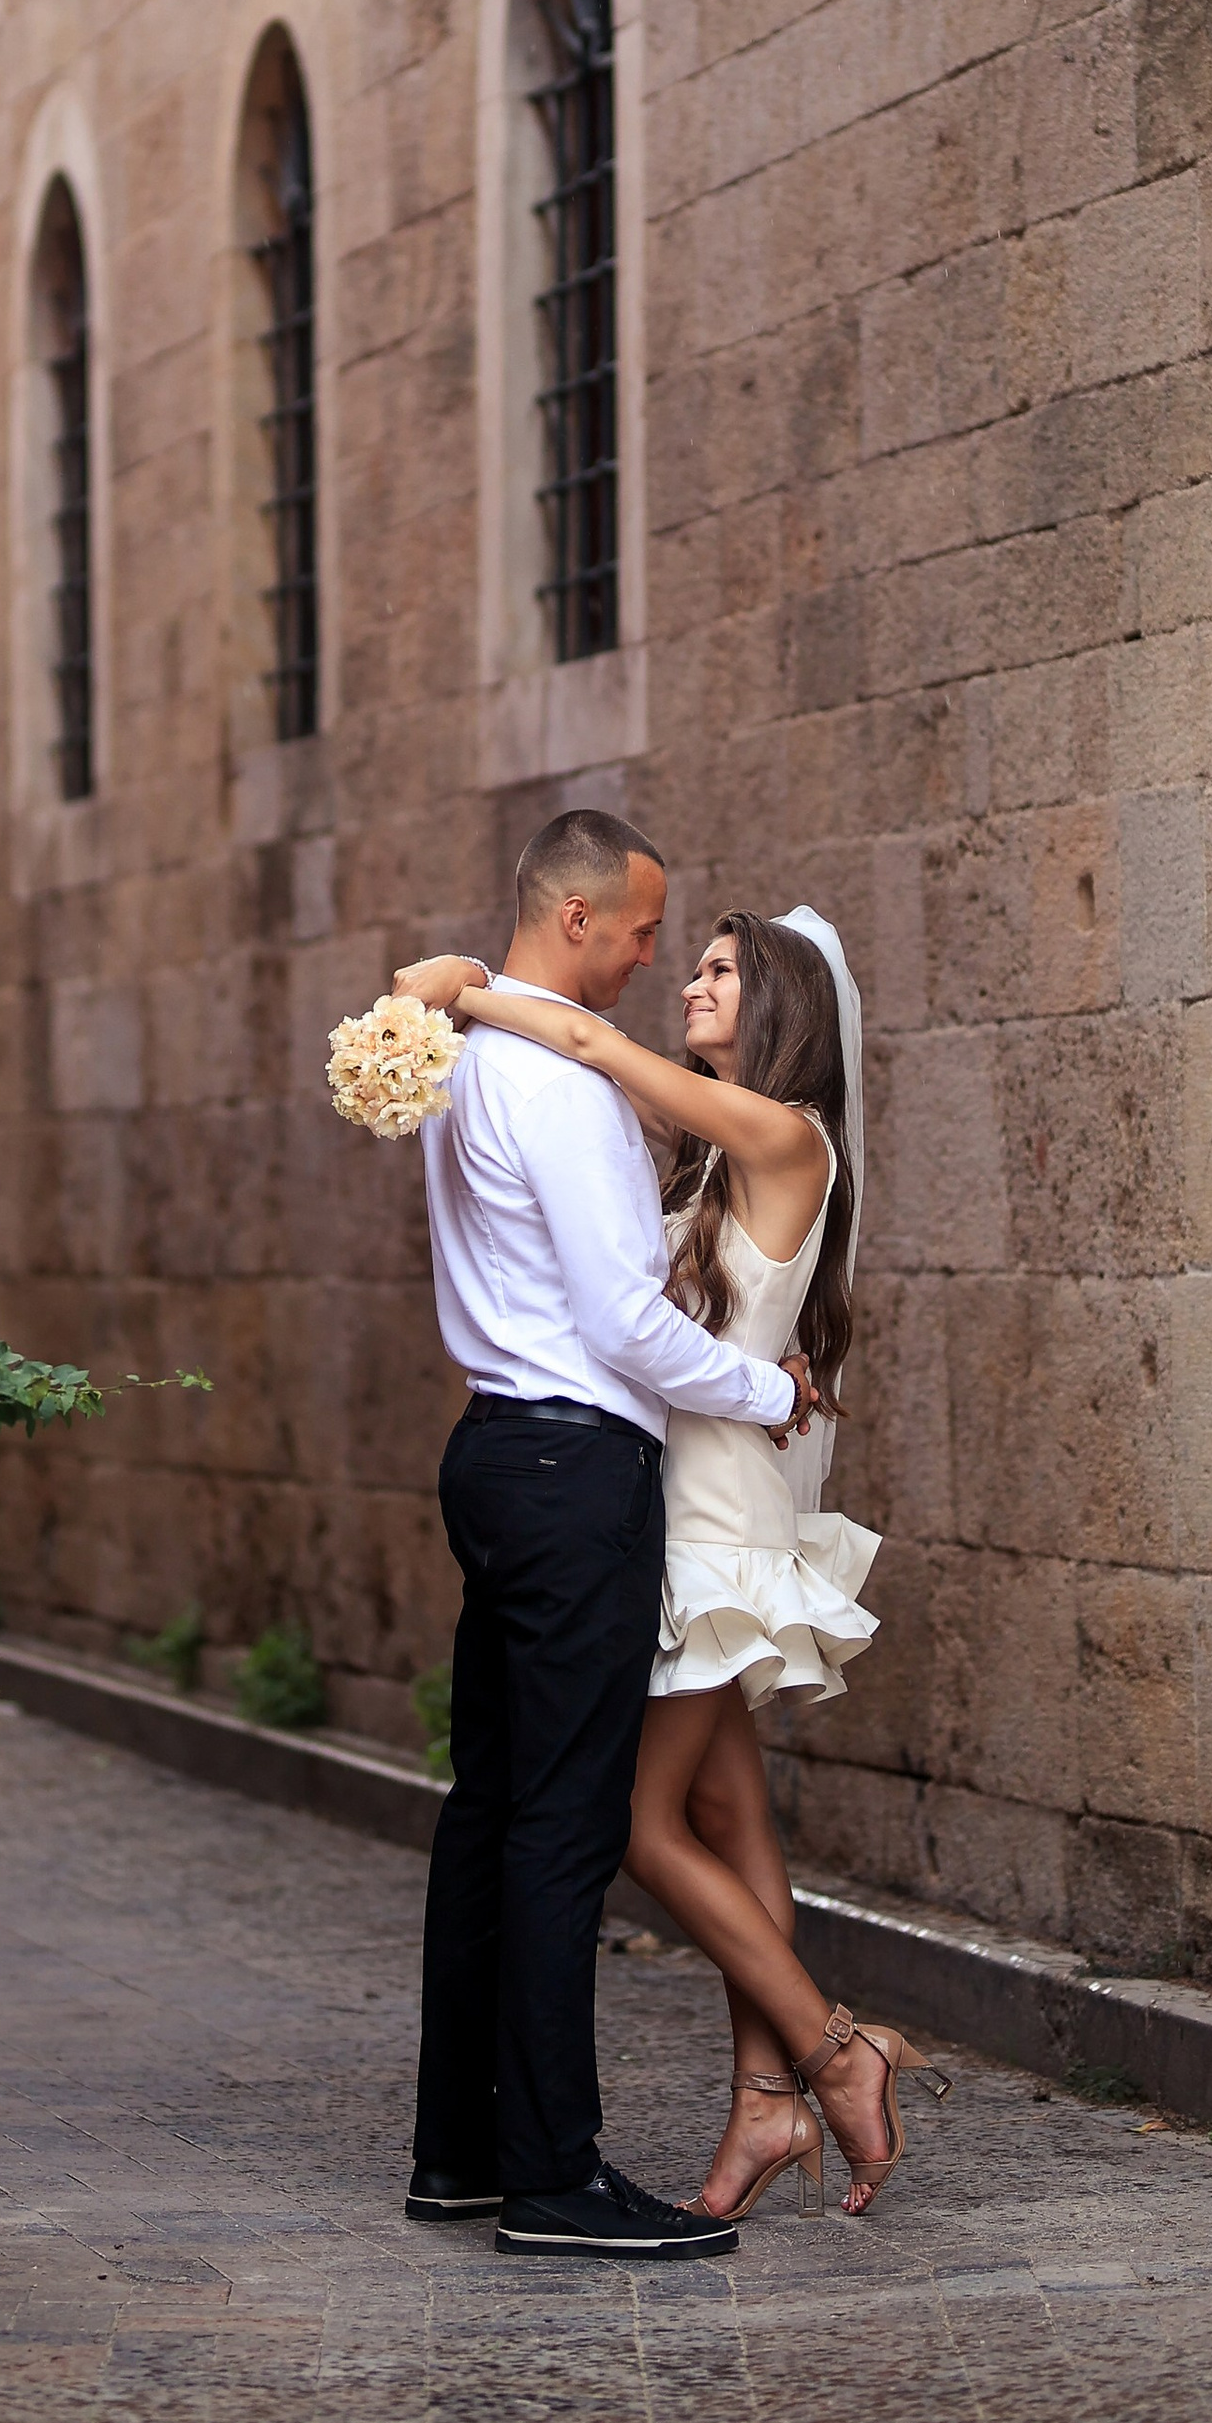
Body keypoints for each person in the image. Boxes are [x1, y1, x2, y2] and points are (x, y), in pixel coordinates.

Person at [397, 902, 942, 2221]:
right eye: (688, 962)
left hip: (708, 1517)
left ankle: (833, 2051)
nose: (688, 984)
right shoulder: (711, 1154)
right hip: (678, 1492)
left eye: (719, 971)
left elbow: (593, 1050)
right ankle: (763, 2106)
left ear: (782, 1007)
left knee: (640, 1824)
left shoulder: (786, 1135)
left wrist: (467, 987)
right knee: (732, 1817)